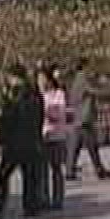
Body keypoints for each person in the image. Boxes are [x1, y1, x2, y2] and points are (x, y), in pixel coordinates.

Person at [0, 64, 45, 219]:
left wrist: (2, 136)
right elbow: (39, 118)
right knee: (29, 177)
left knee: (3, 175)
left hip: (15, 142)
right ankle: (31, 207)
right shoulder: (35, 95)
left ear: (15, 77)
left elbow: (8, 118)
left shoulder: (15, 95)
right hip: (30, 140)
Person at [67, 59, 110, 181]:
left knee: (76, 146)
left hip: (78, 117)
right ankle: (99, 170)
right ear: (84, 66)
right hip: (84, 117)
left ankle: (70, 171)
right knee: (92, 146)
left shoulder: (76, 80)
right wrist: (108, 90)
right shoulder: (83, 78)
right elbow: (93, 90)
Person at [38, 66, 69, 211]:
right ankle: (43, 199)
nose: (40, 83)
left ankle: (58, 200)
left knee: (56, 169)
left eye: (42, 79)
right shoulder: (38, 96)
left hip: (57, 136)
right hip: (42, 137)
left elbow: (58, 115)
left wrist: (45, 113)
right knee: (42, 170)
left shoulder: (58, 94)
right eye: (38, 80)